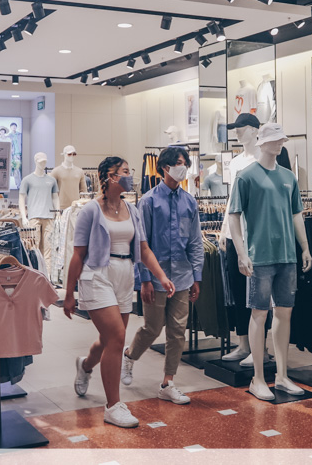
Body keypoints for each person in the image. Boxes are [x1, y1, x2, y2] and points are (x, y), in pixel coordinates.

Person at [63, 156, 176, 429]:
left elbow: (144, 249)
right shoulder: (90, 210)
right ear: (111, 177)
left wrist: (161, 276)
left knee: (108, 340)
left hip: (125, 275)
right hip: (97, 275)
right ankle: (113, 406)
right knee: (117, 337)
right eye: (125, 171)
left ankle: (86, 365)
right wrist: (68, 293)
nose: (130, 176)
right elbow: (78, 255)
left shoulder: (132, 209)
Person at [122, 146, 202, 405]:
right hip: (155, 277)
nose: (183, 167)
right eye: (179, 163)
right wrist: (144, 279)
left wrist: (197, 276)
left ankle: (168, 382)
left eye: (185, 163)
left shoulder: (189, 202)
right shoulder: (148, 202)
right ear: (165, 167)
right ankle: (129, 356)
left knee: (177, 331)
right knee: (152, 328)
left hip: (182, 275)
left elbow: (195, 241)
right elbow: (141, 244)